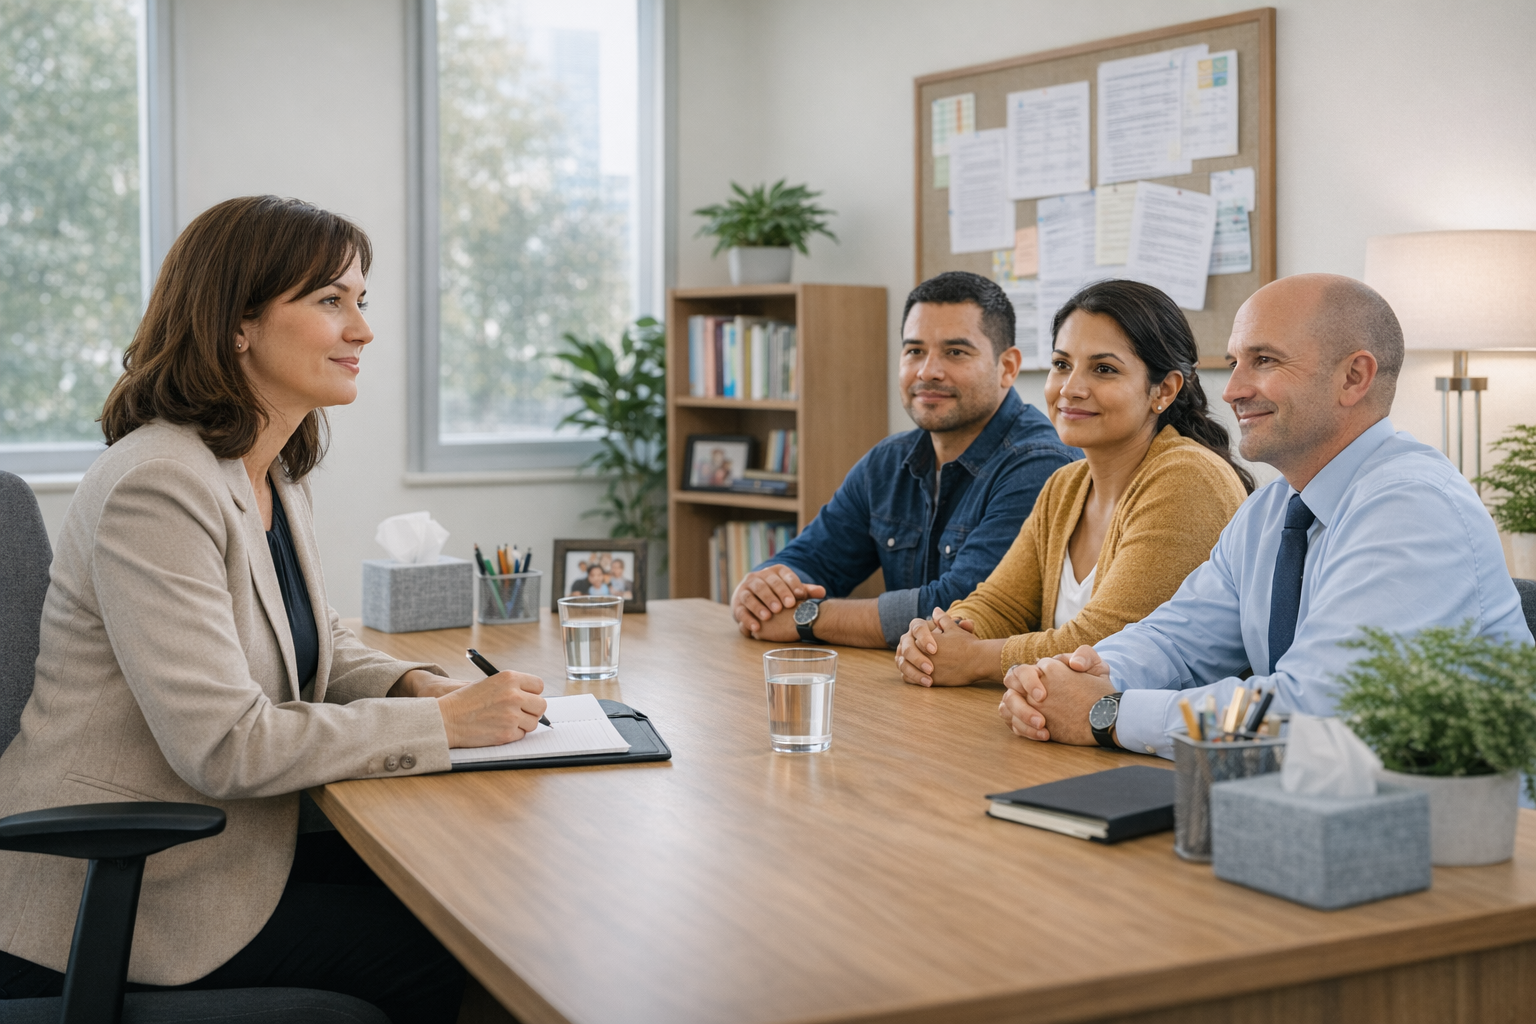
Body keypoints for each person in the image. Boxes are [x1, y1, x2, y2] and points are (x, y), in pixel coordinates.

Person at [0, 197, 549, 1018]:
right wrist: (446, 727)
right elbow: (224, 745)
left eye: (361, 302)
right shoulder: (158, 484)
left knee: (481, 895)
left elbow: (313, 641)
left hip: (224, 845)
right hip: (113, 893)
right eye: (331, 301)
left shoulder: (268, 469)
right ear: (236, 326)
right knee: (450, 952)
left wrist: (413, 688)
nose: (361, 330)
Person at [997, 274, 1533, 757]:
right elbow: (1174, 640)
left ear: (1354, 377)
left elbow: (1310, 713)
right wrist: (1069, 679)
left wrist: (1109, 714)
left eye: (1265, 360)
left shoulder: (1413, 508)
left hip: (1476, 843)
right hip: (1325, 813)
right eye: (1234, 362)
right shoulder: (1271, 512)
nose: (1231, 390)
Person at [896, 280, 1251, 687]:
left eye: (1104, 369)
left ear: (1164, 390)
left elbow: (1104, 645)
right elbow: (1001, 602)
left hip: (1155, 743)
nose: (1070, 389)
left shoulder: (1187, 478)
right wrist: (941, 638)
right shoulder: (1066, 484)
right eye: (1062, 364)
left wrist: (975, 659)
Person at [731, 271, 1079, 648]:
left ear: (1007, 367)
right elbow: (808, 559)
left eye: (955, 352)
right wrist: (759, 589)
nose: (928, 371)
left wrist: (807, 617)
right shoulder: (888, 462)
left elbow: (957, 609)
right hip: (909, 689)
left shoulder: (1041, 464)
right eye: (914, 351)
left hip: (999, 698)